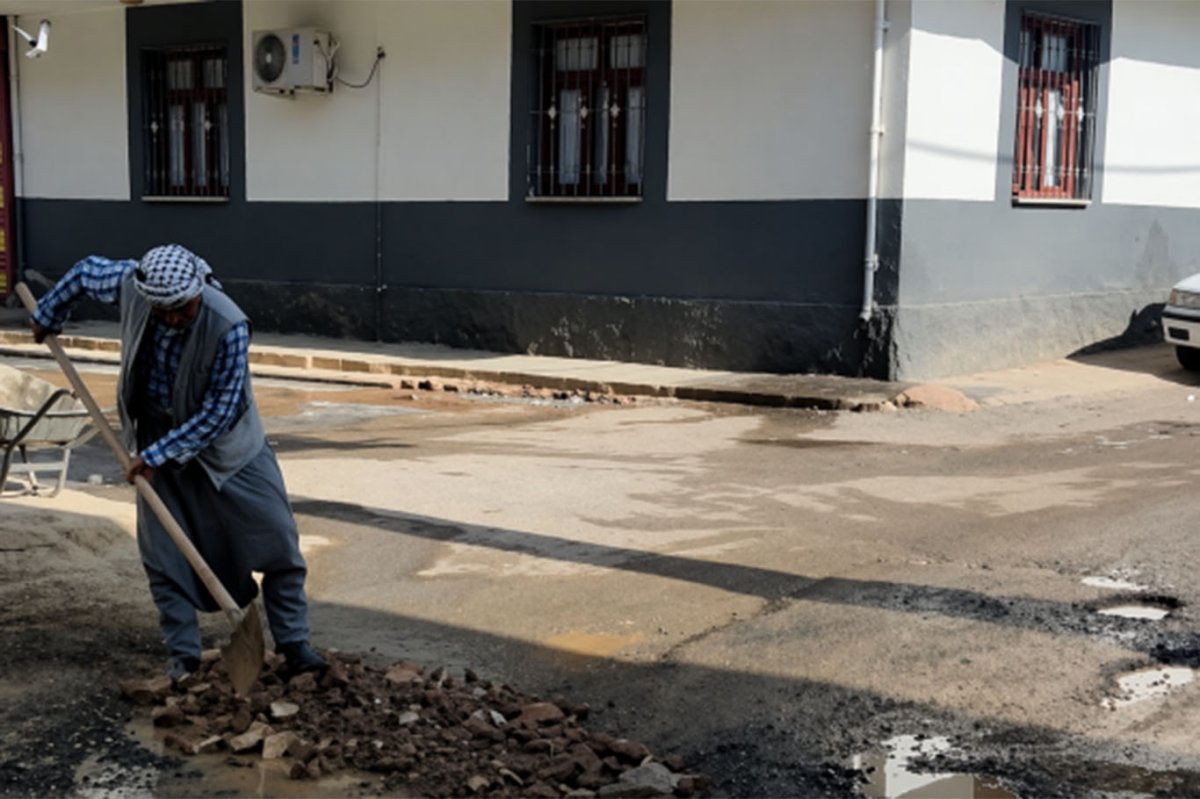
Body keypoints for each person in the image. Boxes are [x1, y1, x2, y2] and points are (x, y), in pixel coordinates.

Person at [30, 244, 326, 683]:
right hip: (153, 437)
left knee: (277, 540)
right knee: (163, 555)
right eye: (162, 310)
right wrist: (48, 315)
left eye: (181, 309)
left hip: (229, 448)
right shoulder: (133, 284)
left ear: (198, 290)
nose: (171, 319)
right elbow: (86, 271)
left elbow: (218, 413)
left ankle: (295, 645)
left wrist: (154, 456)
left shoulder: (228, 325)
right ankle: (183, 657)